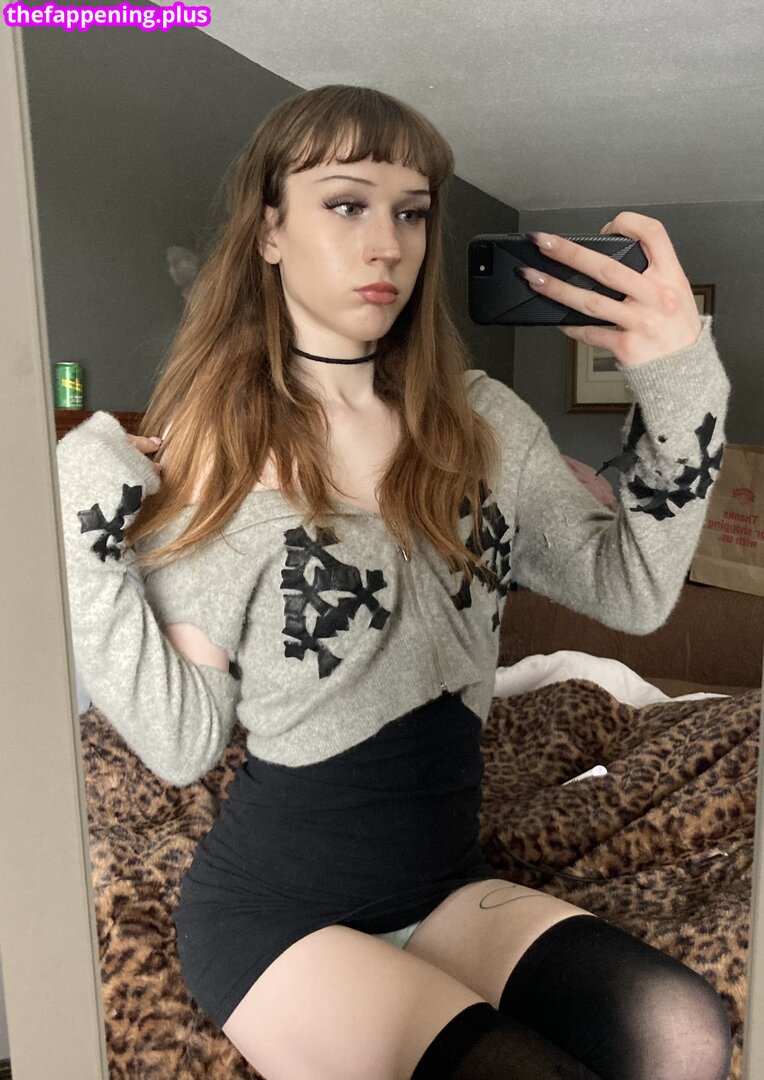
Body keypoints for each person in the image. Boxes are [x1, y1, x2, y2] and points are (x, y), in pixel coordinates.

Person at [57, 84, 733, 1080]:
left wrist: (681, 379)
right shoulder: (219, 459)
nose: (387, 244)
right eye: (346, 203)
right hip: (276, 914)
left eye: (410, 212)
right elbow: (182, 739)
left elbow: (631, 590)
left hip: (442, 882)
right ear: (269, 230)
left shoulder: (483, 423)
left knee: (682, 1031)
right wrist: (82, 513)